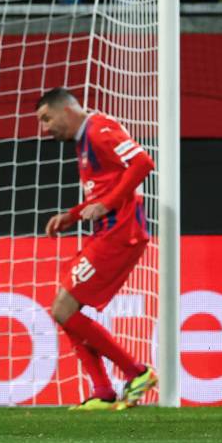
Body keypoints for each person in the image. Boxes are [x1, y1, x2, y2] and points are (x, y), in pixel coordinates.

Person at [36, 87, 158, 411]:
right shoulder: (83, 142)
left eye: (47, 118)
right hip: (106, 232)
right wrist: (71, 216)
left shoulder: (99, 128)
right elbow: (99, 195)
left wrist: (107, 204)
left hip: (121, 234)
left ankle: (137, 372)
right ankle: (103, 391)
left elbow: (144, 162)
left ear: (67, 109)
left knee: (63, 308)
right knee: (65, 310)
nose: (45, 128)